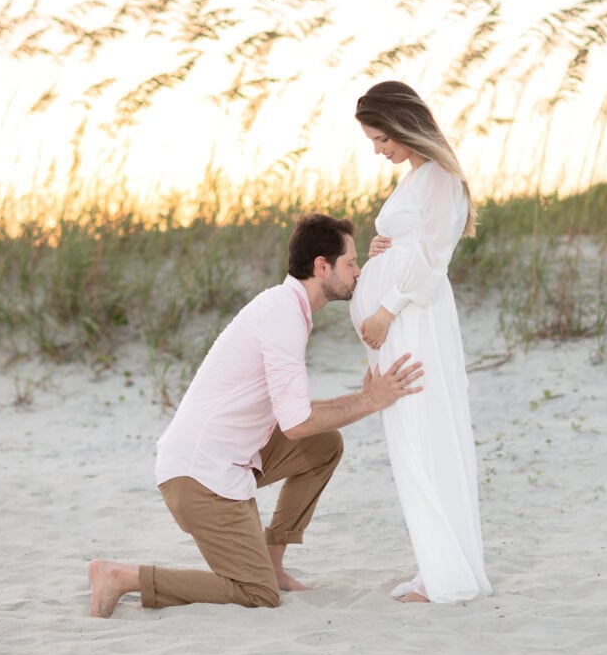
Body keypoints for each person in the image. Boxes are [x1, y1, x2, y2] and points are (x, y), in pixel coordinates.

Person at [89, 213, 424, 616]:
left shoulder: (286, 308)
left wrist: (366, 396)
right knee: (256, 593)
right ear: (321, 267)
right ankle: (124, 576)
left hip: (228, 459)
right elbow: (297, 423)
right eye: (351, 263)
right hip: (199, 477)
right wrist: (371, 401)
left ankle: (274, 563)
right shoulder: (281, 316)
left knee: (323, 445)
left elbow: (295, 418)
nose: (357, 272)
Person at [350, 81, 492, 604]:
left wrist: (385, 310)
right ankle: (439, 565)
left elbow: (433, 258)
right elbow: (413, 245)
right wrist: (380, 250)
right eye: (372, 141)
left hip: (412, 318)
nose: (378, 149)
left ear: (405, 124)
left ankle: (445, 575)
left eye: (382, 137)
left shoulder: (437, 176)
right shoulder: (417, 178)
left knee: (425, 432)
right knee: (412, 433)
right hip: (403, 316)